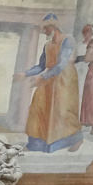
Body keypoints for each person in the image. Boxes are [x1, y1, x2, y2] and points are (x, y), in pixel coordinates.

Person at [17, 16, 82, 152]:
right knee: (38, 107)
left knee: (62, 111)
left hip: (65, 78)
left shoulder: (67, 40)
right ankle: (35, 143)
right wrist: (26, 74)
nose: (44, 31)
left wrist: (43, 77)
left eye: (46, 28)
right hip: (49, 77)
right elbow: (41, 66)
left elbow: (62, 64)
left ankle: (75, 138)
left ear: (54, 27)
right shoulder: (47, 45)